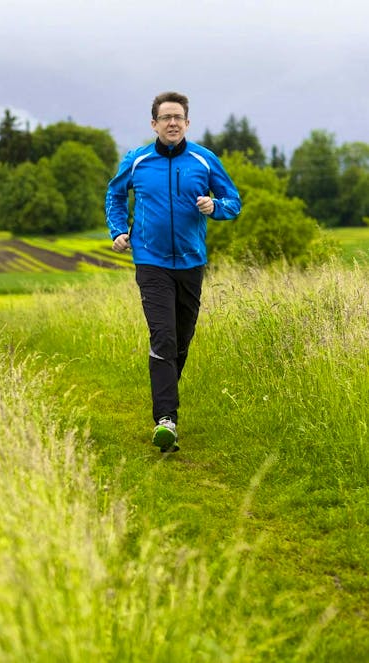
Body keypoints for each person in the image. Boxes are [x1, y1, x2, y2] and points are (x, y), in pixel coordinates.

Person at [105, 91, 241, 452]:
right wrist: (118, 230)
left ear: (187, 122)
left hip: (191, 262)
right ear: (154, 124)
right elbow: (115, 195)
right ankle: (166, 419)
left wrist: (216, 206)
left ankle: (165, 396)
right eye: (165, 117)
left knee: (182, 340)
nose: (172, 123)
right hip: (150, 261)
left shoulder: (204, 160)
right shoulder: (137, 161)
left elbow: (234, 202)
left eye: (178, 117)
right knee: (163, 337)